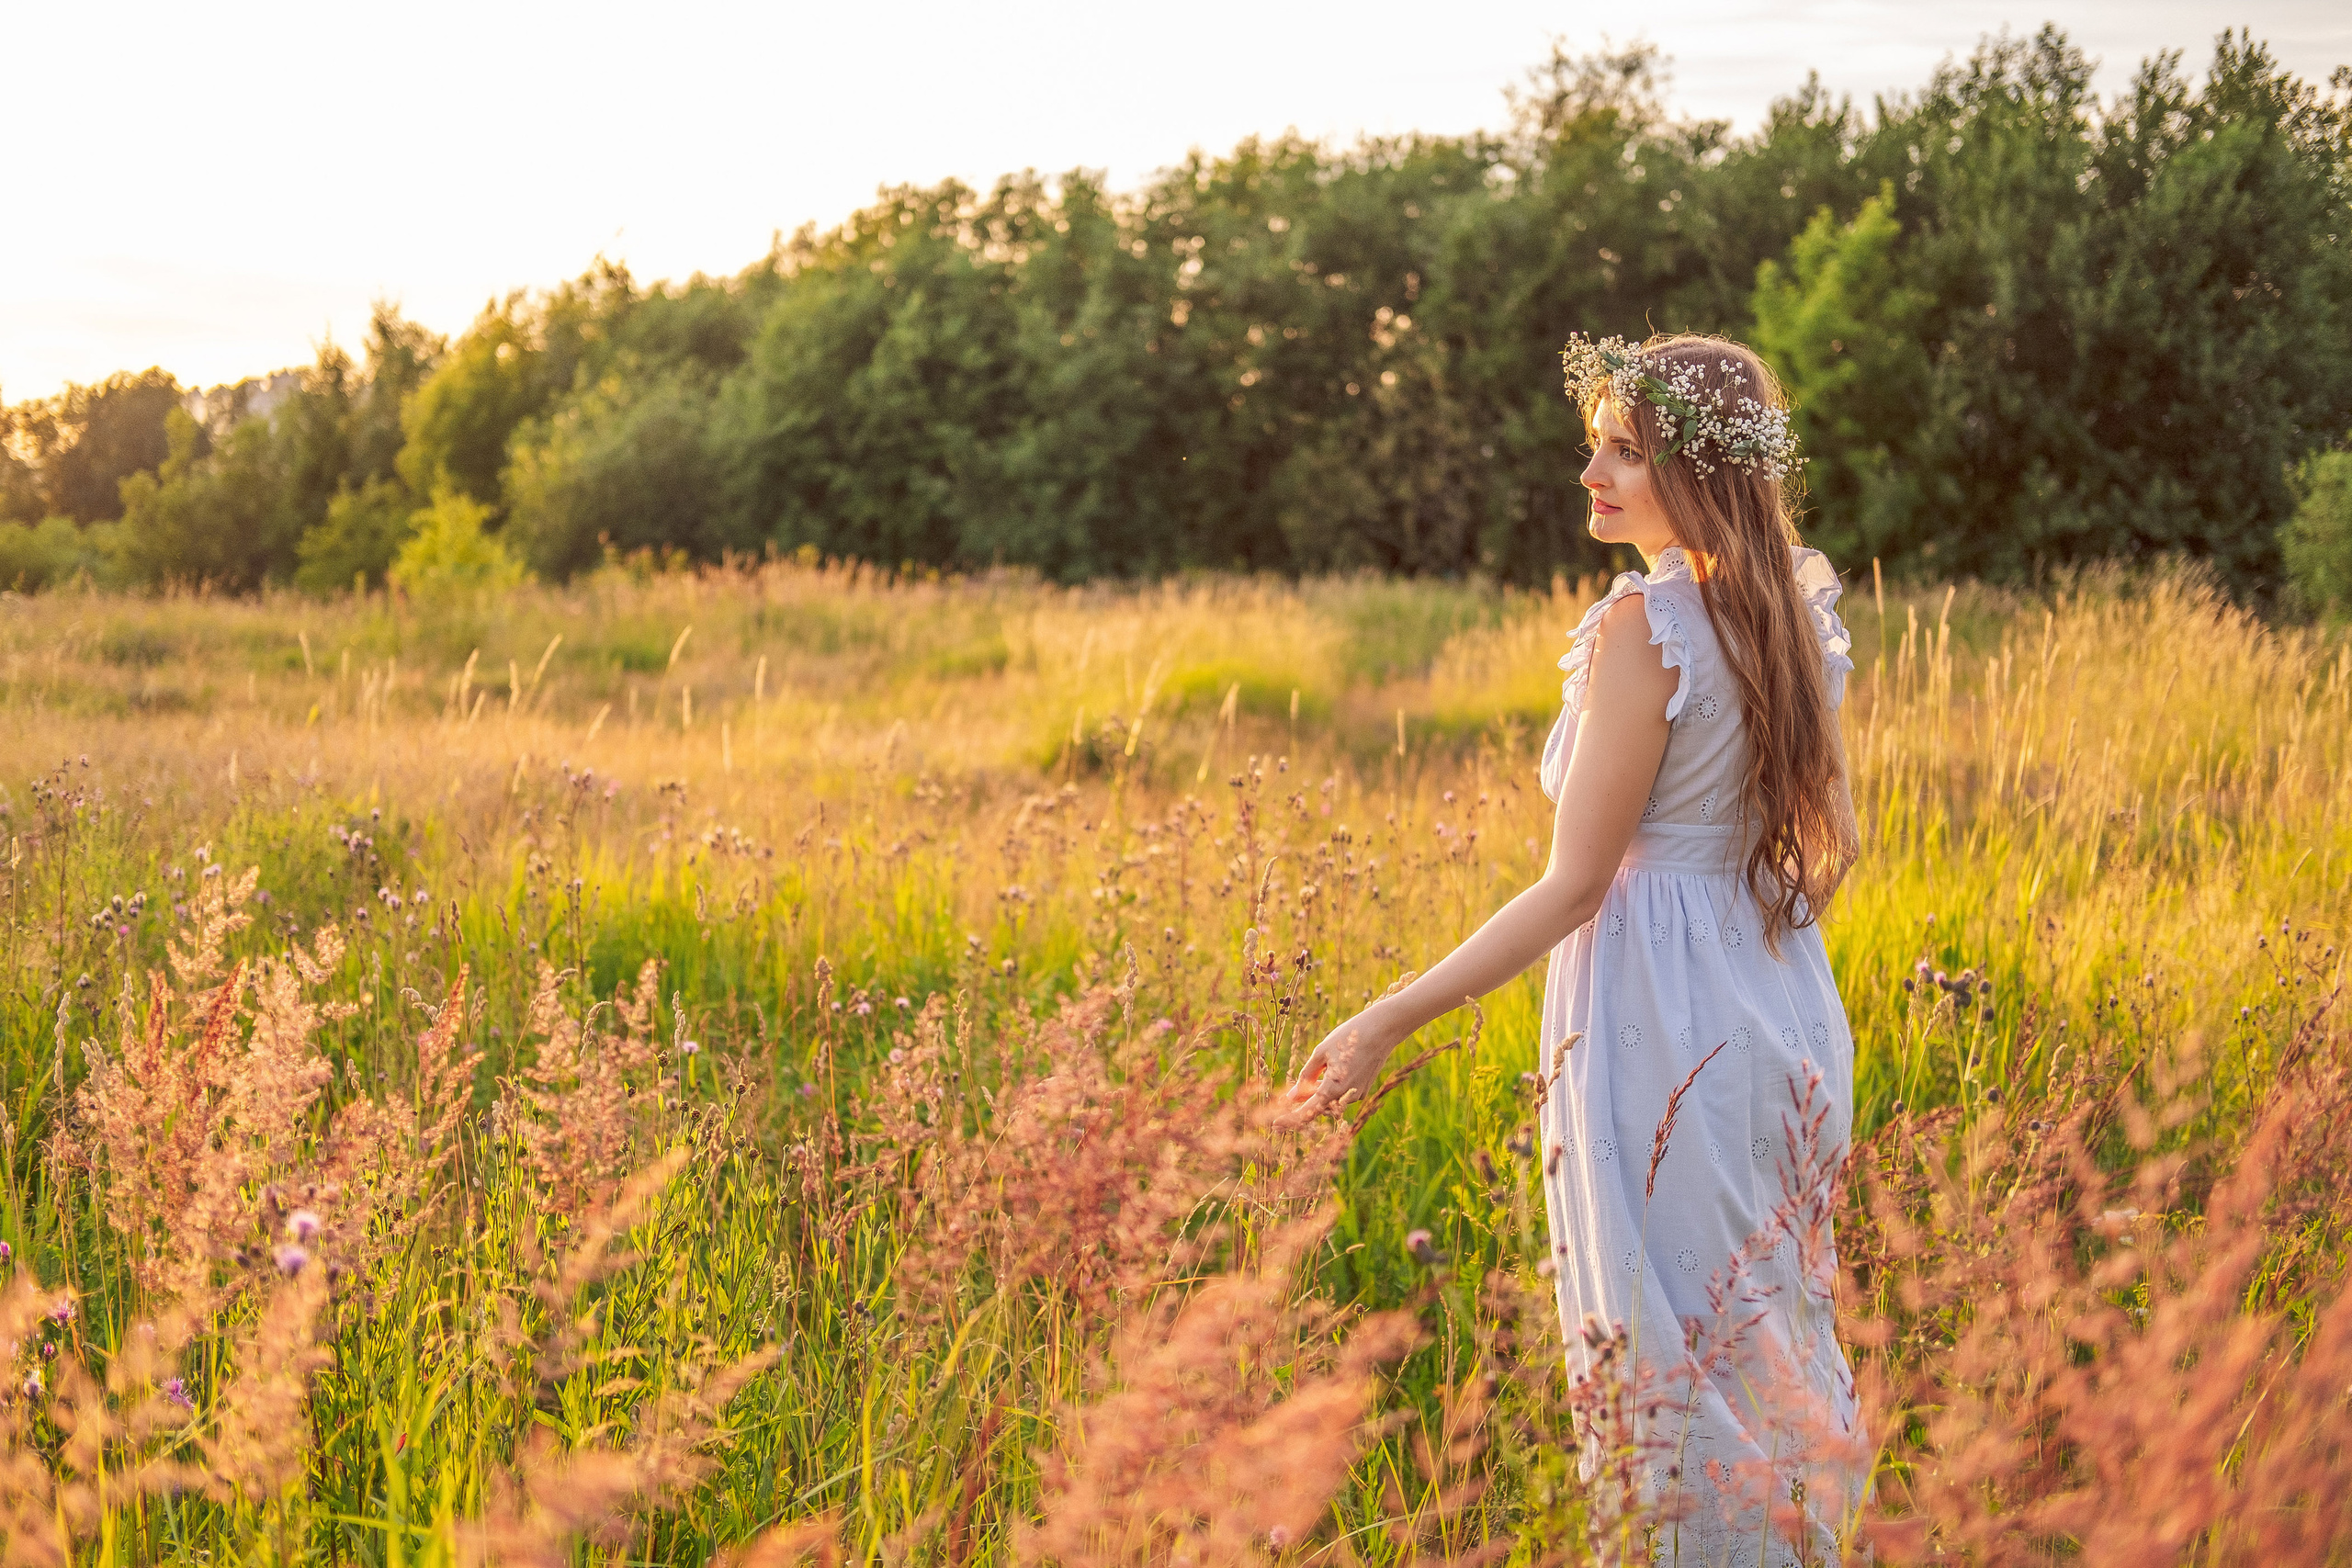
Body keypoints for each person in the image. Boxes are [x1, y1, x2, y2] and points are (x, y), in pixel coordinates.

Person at [1284, 333, 1866, 1561]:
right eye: (1595, 441)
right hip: (1775, 994)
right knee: (1763, 1326)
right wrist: (1736, 925)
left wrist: (1383, 1016)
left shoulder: (1643, 630)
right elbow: (1836, 844)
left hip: (1654, 1003)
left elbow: (1572, 888)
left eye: (1626, 451)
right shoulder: (1792, 613)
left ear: (1703, 472)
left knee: (1667, 1343)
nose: (1590, 471)